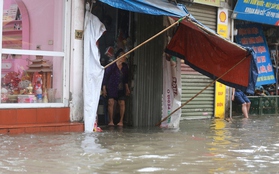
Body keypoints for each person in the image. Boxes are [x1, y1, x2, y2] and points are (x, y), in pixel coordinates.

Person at [102, 49, 130, 126]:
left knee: (122, 103)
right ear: (118, 57)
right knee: (111, 102)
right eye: (123, 56)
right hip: (112, 87)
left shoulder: (125, 67)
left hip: (121, 88)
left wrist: (127, 88)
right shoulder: (111, 66)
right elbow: (105, 77)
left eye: (125, 56)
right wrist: (104, 88)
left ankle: (121, 121)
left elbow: (126, 79)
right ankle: (111, 121)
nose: (124, 58)